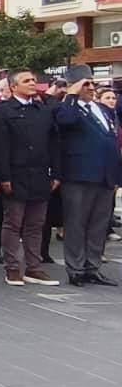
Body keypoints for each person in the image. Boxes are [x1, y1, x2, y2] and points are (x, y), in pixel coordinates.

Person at [0, 69, 62, 287]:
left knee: (36, 224)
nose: (33, 83)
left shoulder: (43, 110)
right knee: (13, 223)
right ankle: (12, 267)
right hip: (15, 174)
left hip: (41, 174)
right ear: (13, 87)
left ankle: (34, 267)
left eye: (33, 80)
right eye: (27, 80)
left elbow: (54, 144)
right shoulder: (3, 110)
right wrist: (3, 176)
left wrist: (56, 172)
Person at [54, 77, 120, 286]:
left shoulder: (103, 109)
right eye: (85, 85)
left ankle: (93, 267)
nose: (91, 88)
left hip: (105, 176)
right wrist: (71, 95)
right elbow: (66, 121)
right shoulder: (67, 107)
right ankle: (76, 269)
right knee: (76, 224)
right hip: (79, 175)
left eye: (92, 84)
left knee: (98, 225)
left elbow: (111, 140)